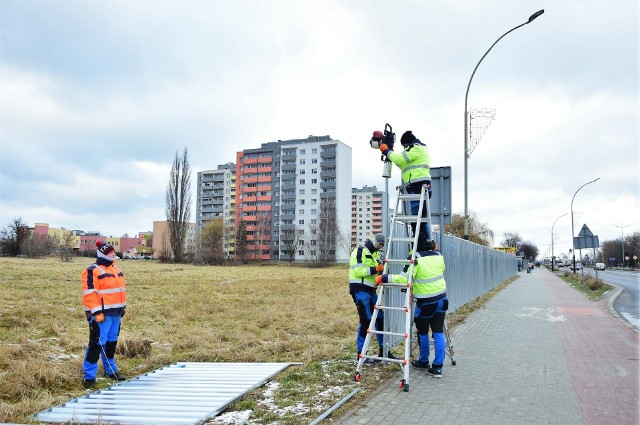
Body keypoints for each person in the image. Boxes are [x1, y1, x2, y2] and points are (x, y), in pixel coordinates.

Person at [376, 232, 447, 377]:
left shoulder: (415, 258)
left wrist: (384, 277)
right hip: (442, 299)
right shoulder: (438, 255)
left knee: (422, 332)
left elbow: (403, 279)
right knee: (438, 332)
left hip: (426, 302)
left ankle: (423, 361)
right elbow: (441, 270)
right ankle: (438, 367)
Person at [81, 241, 127, 388]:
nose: (113, 254)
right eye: (110, 252)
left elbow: (118, 292)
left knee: (111, 343)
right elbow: (89, 294)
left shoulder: (116, 269)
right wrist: (96, 312)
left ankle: (110, 371)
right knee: (96, 344)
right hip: (101, 315)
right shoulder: (92, 270)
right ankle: (89, 376)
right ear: (102, 254)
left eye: (113, 252)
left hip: (115, 314)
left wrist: (122, 308)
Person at [348, 233, 396, 364]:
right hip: (360, 290)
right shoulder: (359, 251)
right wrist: (376, 269)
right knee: (366, 321)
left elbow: (378, 271)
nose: (380, 246)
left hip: (371, 290)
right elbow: (358, 271)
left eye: (382, 245)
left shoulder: (376, 255)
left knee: (380, 319)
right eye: (379, 243)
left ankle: (384, 350)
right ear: (374, 241)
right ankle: (361, 354)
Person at [379, 130, 432, 239]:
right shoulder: (418, 150)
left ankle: (422, 241)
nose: (404, 149)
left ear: (407, 143)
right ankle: (422, 240)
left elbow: (399, 159)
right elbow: (401, 162)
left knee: (418, 218)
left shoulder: (416, 148)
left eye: (404, 146)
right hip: (418, 187)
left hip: (418, 186)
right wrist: (390, 153)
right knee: (419, 218)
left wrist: (386, 150)